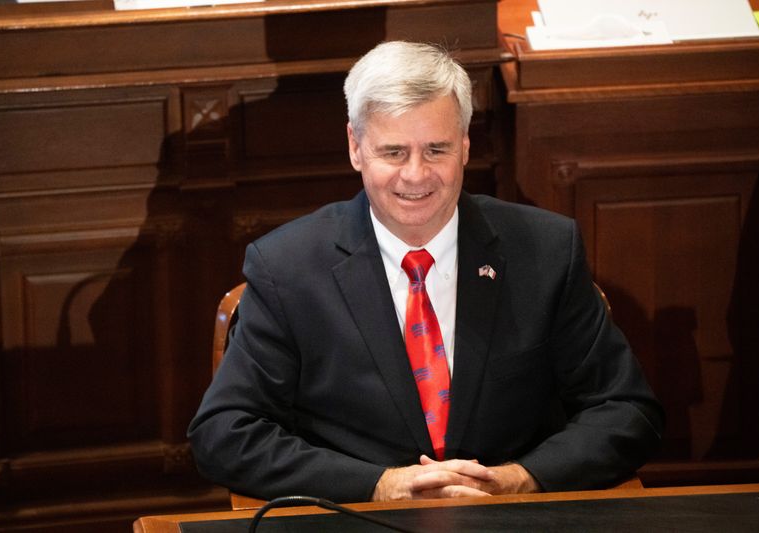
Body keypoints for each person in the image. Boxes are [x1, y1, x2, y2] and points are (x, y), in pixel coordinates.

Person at [188, 41, 664, 503]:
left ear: (465, 145)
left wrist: (523, 478)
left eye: (435, 150)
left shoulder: (546, 250)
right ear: (356, 147)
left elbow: (627, 410)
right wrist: (376, 486)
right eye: (393, 152)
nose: (415, 175)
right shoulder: (288, 267)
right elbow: (224, 433)